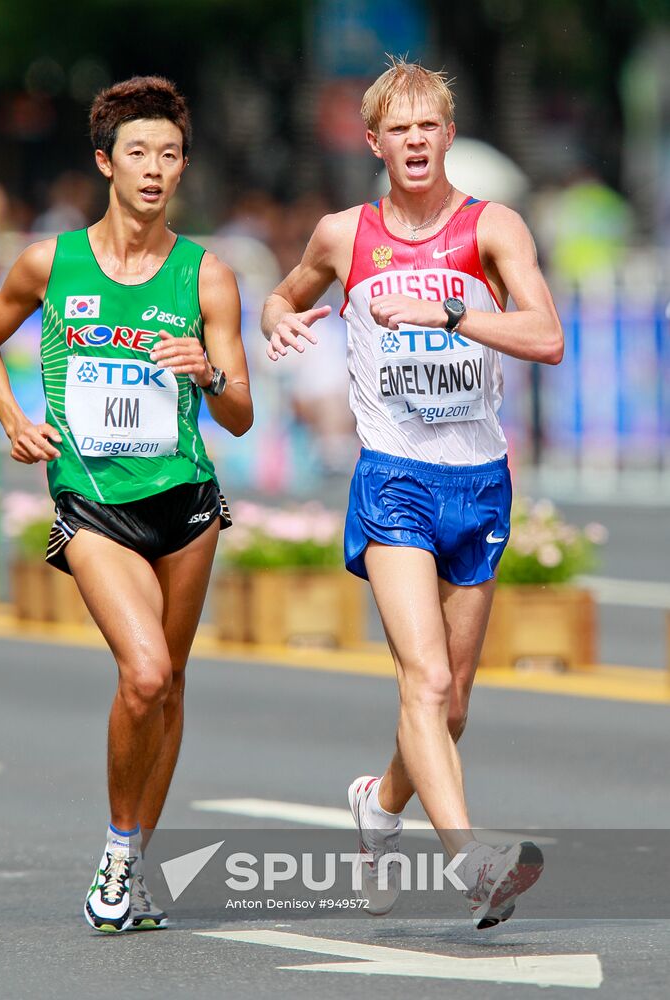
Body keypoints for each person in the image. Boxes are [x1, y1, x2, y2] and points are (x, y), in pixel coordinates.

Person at [261, 58, 563, 928]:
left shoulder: (490, 227)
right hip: (392, 477)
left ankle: (378, 804)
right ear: (374, 142)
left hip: (479, 480)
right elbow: (286, 292)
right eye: (399, 129)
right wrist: (280, 315)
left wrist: (453, 316)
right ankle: (471, 862)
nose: (416, 141)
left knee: (451, 704)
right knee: (422, 679)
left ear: (448, 134)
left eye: (429, 125)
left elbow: (544, 337)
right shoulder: (341, 234)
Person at [0, 76, 253, 932]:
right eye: (136, 153)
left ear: (183, 169)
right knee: (141, 671)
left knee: (169, 686)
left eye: (168, 155)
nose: (153, 169)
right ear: (105, 162)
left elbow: (240, 415)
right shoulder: (51, 263)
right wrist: (13, 418)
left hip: (183, 502)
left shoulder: (206, 275)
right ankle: (114, 849)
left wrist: (207, 371)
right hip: (92, 499)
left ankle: (136, 863)